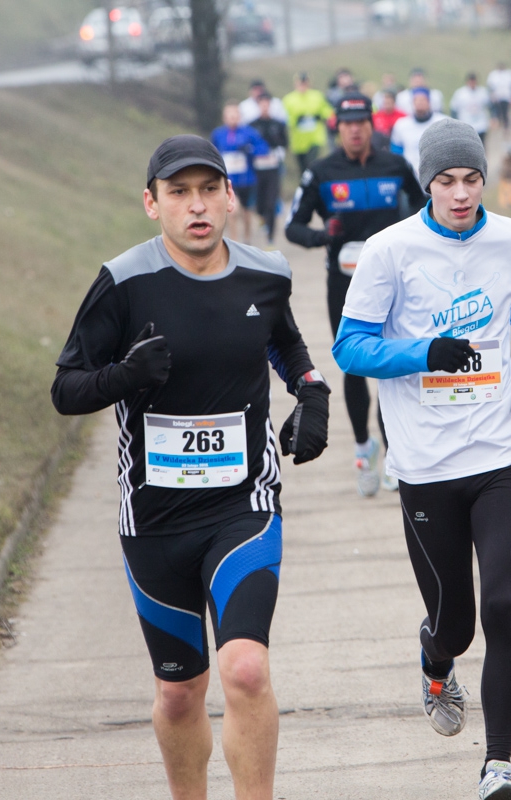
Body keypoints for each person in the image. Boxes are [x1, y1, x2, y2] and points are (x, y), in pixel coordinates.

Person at [50, 134, 329, 800]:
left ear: (230, 196)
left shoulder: (267, 273)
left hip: (243, 506)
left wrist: (311, 391)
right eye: (179, 193)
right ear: (152, 204)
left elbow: (285, 342)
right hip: (154, 519)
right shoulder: (122, 283)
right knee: (179, 693)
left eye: (209, 190)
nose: (196, 207)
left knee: (246, 670)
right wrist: (123, 375)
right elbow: (66, 389)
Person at [332, 117, 511, 800]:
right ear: (427, 182)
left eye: (470, 179)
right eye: (446, 180)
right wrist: (421, 353)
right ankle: (435, 659)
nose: (460, 193)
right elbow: (350, 347)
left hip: (502, 451)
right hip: (427, 462)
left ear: (484, 179)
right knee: (456, 622)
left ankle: (498, 765)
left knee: (502, 604)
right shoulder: (388, 250)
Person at [286, 92, 426, 496]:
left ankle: (395, 450)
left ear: (371, 126)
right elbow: (294, 226)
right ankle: (364, 447)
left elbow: (424, 210)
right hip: (343, 283)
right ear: (338, 128)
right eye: (347, 124)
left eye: (361, 122)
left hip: (393, 282)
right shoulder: (320, 171)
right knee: (353, 363)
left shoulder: (396, 165)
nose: (355, 129)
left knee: (393, 362)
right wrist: (320, 235)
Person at [211, 101, 271, 244]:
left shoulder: (249, 133)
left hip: (248, 180)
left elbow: (264, 149)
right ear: (224, 117)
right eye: (229, 115)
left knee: (246, 214)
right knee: (233, 211)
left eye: (235, 115)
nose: (232, 118)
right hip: (229, 180)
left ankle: (247, 239)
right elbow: (211, 152)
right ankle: (235, 242)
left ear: (239, 116)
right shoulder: (218, 134)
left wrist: (250, 150)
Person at [249, 93, 289, 244]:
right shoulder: (252, 125)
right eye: (262, 104)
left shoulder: (278, 124)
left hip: (273, 168)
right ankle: (261, 217)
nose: (265, 107)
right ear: (258, 105)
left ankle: (270, 237)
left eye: (267, 104)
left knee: (271, 202)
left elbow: (285, 143)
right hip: (257, 169)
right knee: (260, 203)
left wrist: (276, 143)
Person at [282, 72, 335, 175]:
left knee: (311, 165)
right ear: (296, 84)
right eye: (300, 83)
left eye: (305, 83)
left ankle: (313, 186)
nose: (303, 85)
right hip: (298, 141)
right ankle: (306, 188)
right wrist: (296, 120)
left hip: (314, 138)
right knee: (302, 169)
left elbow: (328, 111)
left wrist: (320, 116)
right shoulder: (288, 99)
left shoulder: (317, 96)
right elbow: (284, 118)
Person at [390, 88, 446, 177]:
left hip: (436, 174)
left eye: (423, 100)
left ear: (429, 102)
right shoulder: (401, 124)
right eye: (416, 100)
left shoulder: (442, 122)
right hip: (409, 175)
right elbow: (396, 150)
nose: (419, 103)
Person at [450, 72, 492, 148]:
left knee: (481, 146)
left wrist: (493, 117)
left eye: (474, 81)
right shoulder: (460, 93)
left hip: (481, 124)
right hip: (466, 125)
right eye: (471, 81)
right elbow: (454, 109)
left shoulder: (482, 92)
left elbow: (490, 105)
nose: (472, 83)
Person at [486, 62, 511, 132]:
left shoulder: (509, 75)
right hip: (497, 98)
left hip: (506, 97)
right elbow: (490, 87)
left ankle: (506, 127)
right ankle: (499, 127)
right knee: (497, 113)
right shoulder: (493, 75)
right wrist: (491, 96)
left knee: (505, 113)